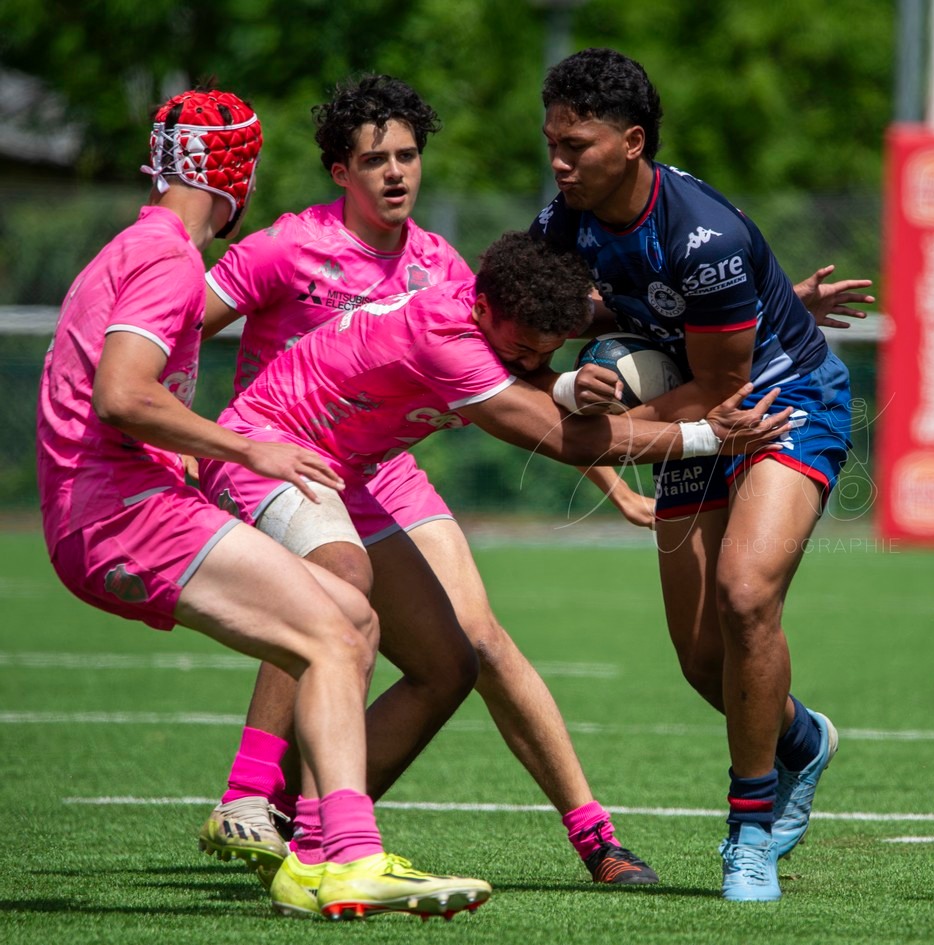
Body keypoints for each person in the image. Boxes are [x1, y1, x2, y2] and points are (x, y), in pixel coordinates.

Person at [196, 230, 791, 911]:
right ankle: (305, 829)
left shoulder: (491, 305)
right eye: (521, 349)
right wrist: (711, 435)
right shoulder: (445, 337)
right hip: (268, 445)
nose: (532, 361)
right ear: (482, 308)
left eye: (547, 351)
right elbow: (563, 436)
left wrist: (570, 376)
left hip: (351, 472)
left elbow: (582, 347)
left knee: (452, 662)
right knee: (339, 579)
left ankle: (298, 827)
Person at [194, 73, 662, 892]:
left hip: (380, 463)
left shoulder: (443, 266)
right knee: (334, 590)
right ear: (342, 170)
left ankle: (594, 836)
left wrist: (610, 469)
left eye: (409, 155)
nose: (398, 173)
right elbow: (176, 327)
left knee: (472, 649)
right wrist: (165, 431)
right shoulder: (285, 246)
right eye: (377, 159)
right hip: (285, 450)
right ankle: (256, 799)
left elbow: (517, 380)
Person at [36, 87, 492, 921]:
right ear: (236, 172)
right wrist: (246, 445)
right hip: (120, 515)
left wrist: (183, 448)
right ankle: (331, 848)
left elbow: (108, 390)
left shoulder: (137, 246)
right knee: (336, 625)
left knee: (345, 617)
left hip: (113, 507)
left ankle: (310, 861)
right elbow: (121, 395)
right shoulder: (171, 256)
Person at [529, 48, 856, 902]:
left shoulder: (700, 235)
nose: (559, 161)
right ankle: (800, 740)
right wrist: (572, 383)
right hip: (694, 414)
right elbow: (516, 340)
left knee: (747, 596)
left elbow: (721, 388)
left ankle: (749, 829)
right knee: (701, 661)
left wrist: (600, 433)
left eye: (578, 145)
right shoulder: (561, 225)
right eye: (552, 142)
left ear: (633, 143)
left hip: (780, 404)